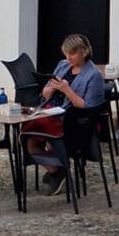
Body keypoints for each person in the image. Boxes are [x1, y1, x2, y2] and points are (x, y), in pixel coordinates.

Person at [22, 33, 105, 195]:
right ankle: (56, 170)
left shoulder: (93, 75)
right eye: (66, 53)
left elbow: (87, 107)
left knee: (48, 133)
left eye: (72, 53)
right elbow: (45, 93)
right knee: (26, 135)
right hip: (51, 111)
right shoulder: (63, 65)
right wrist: (53, 88)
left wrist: (67, 90)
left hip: (75, 119)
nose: (69, 57)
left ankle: (58, 170)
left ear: (84, 51)